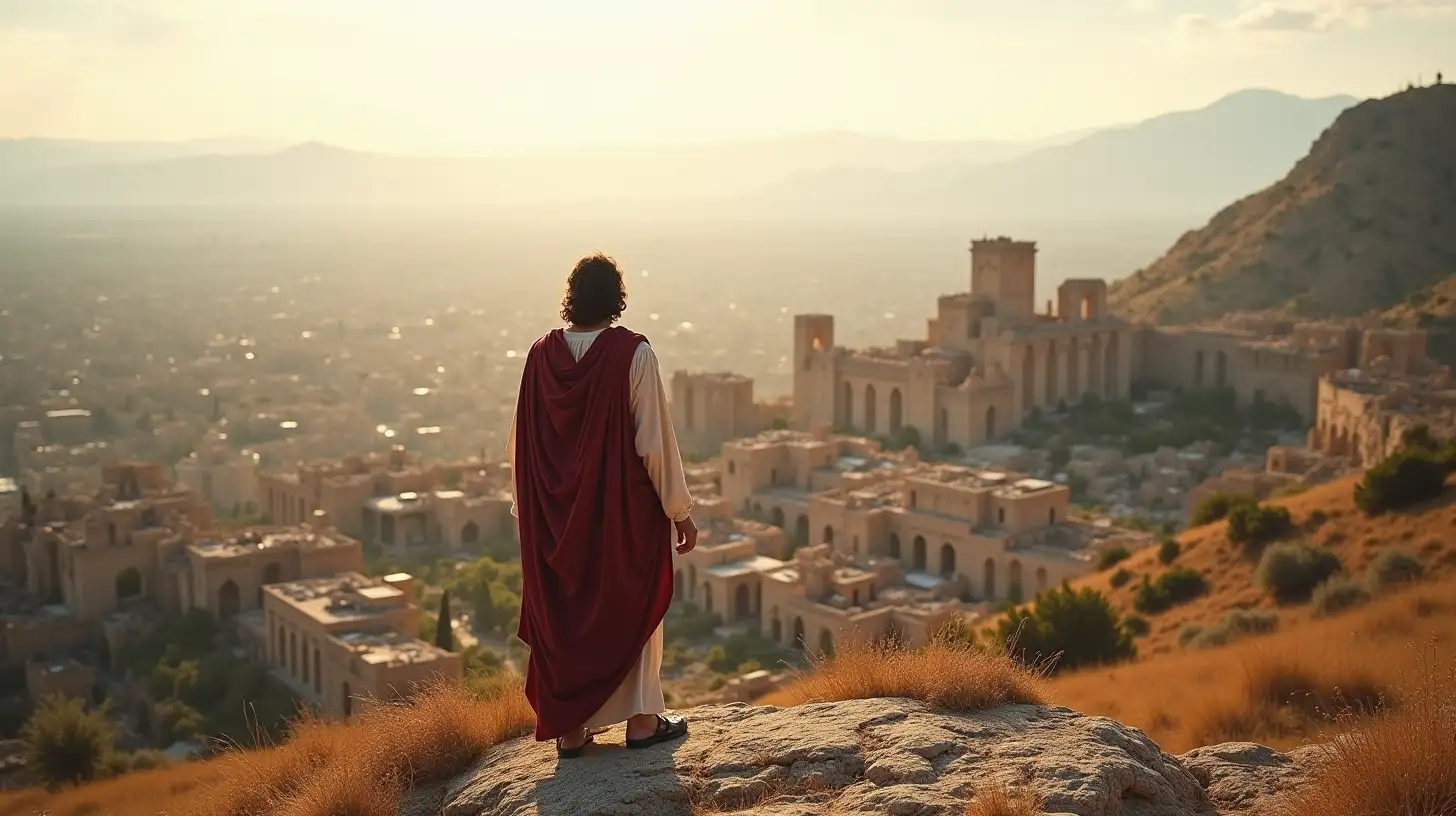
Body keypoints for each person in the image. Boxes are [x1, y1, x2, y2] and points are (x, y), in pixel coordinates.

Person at [507, 252, 698, 759]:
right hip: (620, 513)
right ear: (616, 299)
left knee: (568, 614)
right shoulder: (632, 353)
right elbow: (654, 442)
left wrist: (529, 514)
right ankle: (641, 721)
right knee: (626, 603)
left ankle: (571, 730)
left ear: (570, 297)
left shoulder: (539, 355)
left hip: (554, 519)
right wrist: (680, 511)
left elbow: (520, 443)